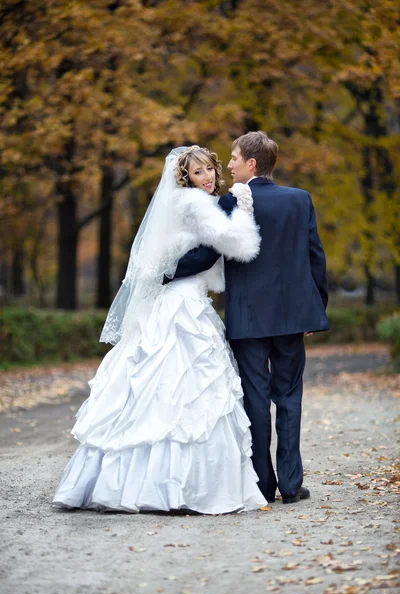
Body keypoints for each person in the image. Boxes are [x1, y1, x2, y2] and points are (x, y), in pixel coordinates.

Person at [52, 145, 268, 514]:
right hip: (181, 305)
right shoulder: (196, 204)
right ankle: (176, 489)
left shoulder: (187, 204)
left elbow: (186, 259)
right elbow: (232, 247)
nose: (209, 177)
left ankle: (150, 485)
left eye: (210, 170)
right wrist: (238, 206)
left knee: (170, 387)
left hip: (180, 296)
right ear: (185, 177)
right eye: (198, 172)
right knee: (178, 385)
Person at [167, 132, 329, 504]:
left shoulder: (228, 202)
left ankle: (261, 484)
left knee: (255, 400)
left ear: (252, 163)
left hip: (248, 320)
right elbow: (314, 257)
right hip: (292, 317)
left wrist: (162, 272)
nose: (228, 164)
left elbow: (206, 256)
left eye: (235, 158)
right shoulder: (300, 200)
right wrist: (314, 309)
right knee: (289, 398)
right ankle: (291, 485)